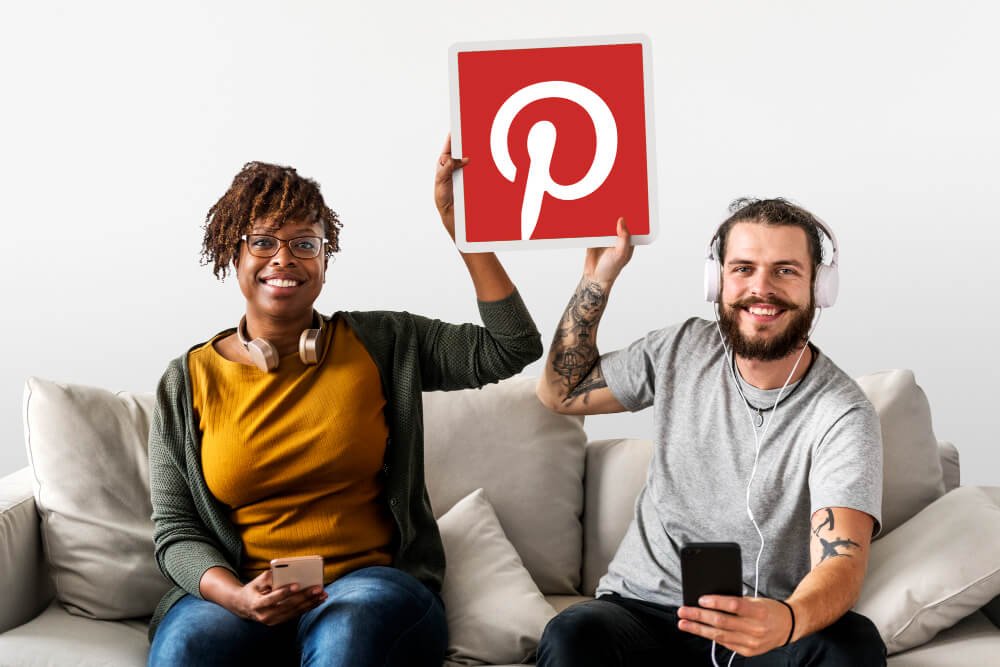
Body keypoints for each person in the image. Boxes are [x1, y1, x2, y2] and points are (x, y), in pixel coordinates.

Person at [146, 139, 542, 666]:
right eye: (262, 242)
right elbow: (176, 529)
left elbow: (511, 345)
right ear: (231, 253)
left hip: (365, 588)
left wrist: (463, 229)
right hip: (242, 593)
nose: (283, 258)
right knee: (186, 648)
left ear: (325, 260)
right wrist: (235, 597)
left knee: (347, 636)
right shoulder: (186, 381)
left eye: (304, 244)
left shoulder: (383, 343)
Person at [534, 199, 886, 666]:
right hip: (643, 611)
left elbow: (841, 559)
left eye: (785, 271)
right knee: (571, 635)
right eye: (743, 268)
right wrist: (597, 281)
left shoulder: (842, 414)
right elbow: (560, 393)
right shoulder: (681, 348)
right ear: (716, 280)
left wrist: (788, 619)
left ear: (819, 287)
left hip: (763, 624)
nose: (761, 289)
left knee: (851, 646)